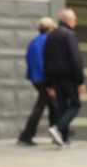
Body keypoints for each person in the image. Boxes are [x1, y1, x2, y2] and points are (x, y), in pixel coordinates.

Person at [44, 8, 86, 146]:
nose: (76, 22)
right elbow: (76, 58)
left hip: (55, 78)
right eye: (75, 19)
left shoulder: (51, 35)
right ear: (69, 20)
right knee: (75, 104)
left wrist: (48, 83)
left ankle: (63, 138)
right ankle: (58, 127)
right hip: (68, 76)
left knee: (62, 107)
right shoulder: (69, 35)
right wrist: (80, 80)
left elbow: (46, 59)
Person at [17, 16, 58, 146]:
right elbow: (47, 63)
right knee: (42, 106)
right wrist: (49, 83)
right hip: (44, 78)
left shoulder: (34, 42)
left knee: (52, 105)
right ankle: (27, 135)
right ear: (50, 28)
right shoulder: (48, 41)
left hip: (36, 78)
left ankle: (55, 132)